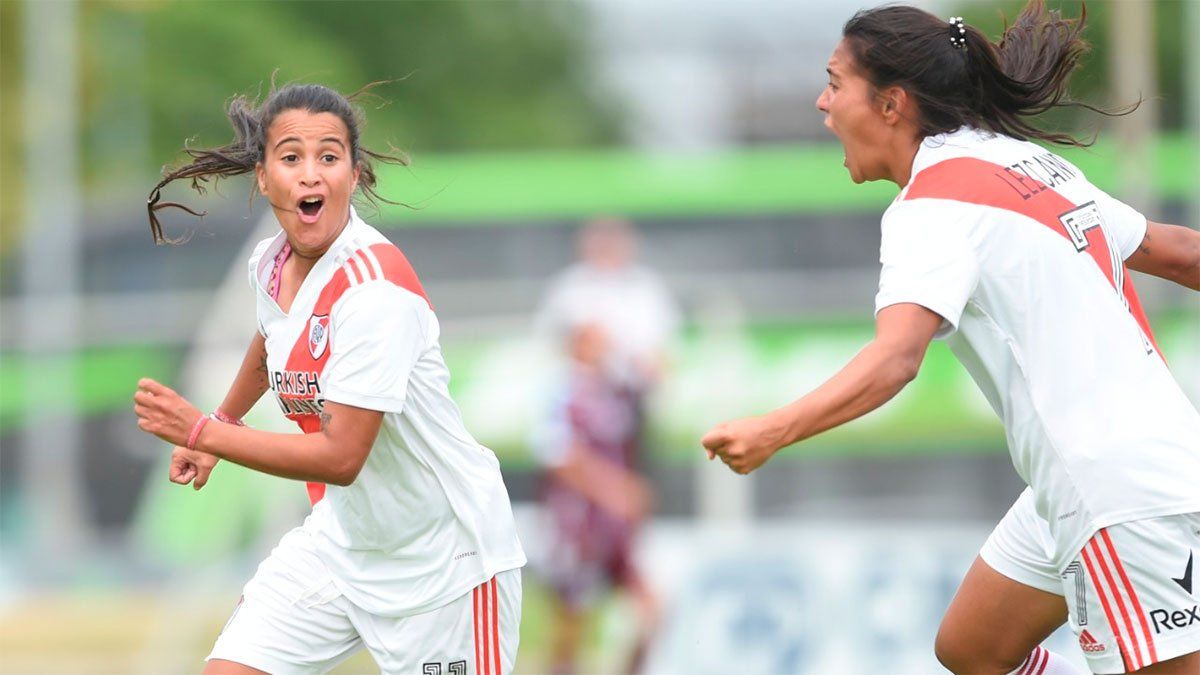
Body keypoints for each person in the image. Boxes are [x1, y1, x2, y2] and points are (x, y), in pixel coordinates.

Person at [700, 3, 1200, 674]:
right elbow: (1183, 254)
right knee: (971, 647)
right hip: (1109, 473)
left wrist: (774, 429)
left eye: (835, 81)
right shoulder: (1024, 164)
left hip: (1116, 492)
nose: (822, 102)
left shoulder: (932, 207)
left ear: (892, 104)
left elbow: (896, 359)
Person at [134, 82, 526, 675]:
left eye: (329, 156)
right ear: (264, 177)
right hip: (340, 548)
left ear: (355, 173)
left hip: (446, 565)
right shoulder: (268, 262)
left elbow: (342, 457)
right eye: (291, 157)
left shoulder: (375, 293)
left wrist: (201, 435)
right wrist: (224, 419)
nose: (311, 174)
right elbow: (274, 340)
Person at [533, 322, 658, 675]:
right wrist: (615, 490)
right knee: (572, 627)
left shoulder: (618, 389)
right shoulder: (558, 388)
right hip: (577, 526)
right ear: (576, 345)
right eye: (596, 340)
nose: (605, 348)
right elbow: (557, 454)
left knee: (653, 610)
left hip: (615, 528)